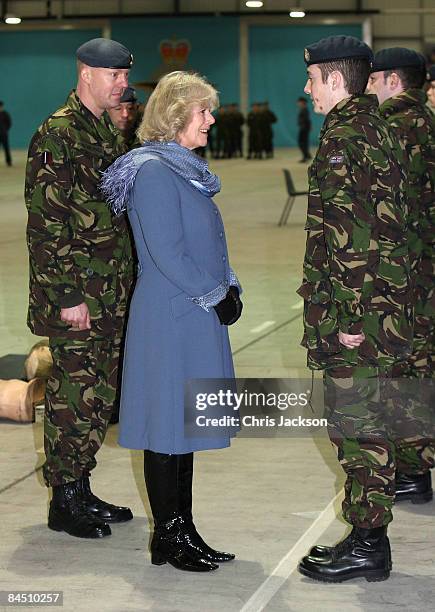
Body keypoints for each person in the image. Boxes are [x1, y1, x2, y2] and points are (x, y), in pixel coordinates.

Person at [101, 71, 243, 572]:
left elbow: (207, 242)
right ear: (177, 115)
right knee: (167, 427)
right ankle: (170, 535)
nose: (211, 119)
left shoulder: (182, 168)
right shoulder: (154, 172)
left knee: (183, 427)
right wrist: (214, 293)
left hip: (191, 313)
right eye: (203, 111)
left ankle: (182, 529)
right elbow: (166, 252)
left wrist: (229, 285)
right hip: (171, 316)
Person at [296, 35, 413, 583]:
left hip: (361, 315)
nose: (308, 88)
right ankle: (370, 536)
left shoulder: (346, 135)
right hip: (390, 306)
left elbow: (351, 239)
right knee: (377, 419)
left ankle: (368, 544)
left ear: (336, 80)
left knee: (359, 423)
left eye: (313, 79)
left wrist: (345, 322)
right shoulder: (384, 126)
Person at [25, 38, 135, 539]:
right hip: (76, 297)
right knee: (73, 396)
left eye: (125, 76)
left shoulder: (106, 132)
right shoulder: (58, 134)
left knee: (98, 396)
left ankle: (81, 486)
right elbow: (46, 227)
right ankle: (63, 498)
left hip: (109, 292)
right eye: (114, 76)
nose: (123, 85)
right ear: (86, 73)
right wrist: (68, 297)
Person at [367, 47, 435, 503]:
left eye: (373, 80)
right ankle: (418, 468)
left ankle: (407, 470)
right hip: (428, 269)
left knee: (397, 375)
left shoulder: (389, 128)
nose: (368, 87)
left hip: (400, 273)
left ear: (392, 79)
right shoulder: (430, 122)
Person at [108, 85, 141, 151]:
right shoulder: (94, 135)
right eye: (118, 108)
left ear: (137, 108)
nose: (125, 115)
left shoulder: (147, 136)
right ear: (106, 109)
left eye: (130, 108)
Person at [296, 96, 311, 162]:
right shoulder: (304, 110)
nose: (298, 104)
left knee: (302, 143)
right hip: (304, 128)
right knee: (304, 142)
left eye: (299, 102)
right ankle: (307, 155)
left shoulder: (304, 110)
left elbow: (306, 120)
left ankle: (305, 156)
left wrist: (305, 126)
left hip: (304, 128)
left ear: (302, 102)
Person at [0, 101, 12, 166]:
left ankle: (8, 161)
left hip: (4, 134)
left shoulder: (5, 114)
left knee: (6, 148)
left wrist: (5, 130)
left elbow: (9, 123)